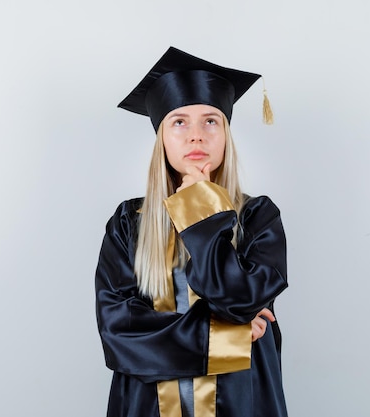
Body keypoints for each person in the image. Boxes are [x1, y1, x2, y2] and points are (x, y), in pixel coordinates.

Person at [95, 46, 289, 417]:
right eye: (179, 122)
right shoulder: (127, 222)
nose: (196, 136)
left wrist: (201, 216)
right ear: (162, 138)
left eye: (211, 121)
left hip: (242, 403)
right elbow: (120, 334)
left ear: (226, 134)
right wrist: (230, 337)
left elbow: (242, 299)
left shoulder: (257, 217)